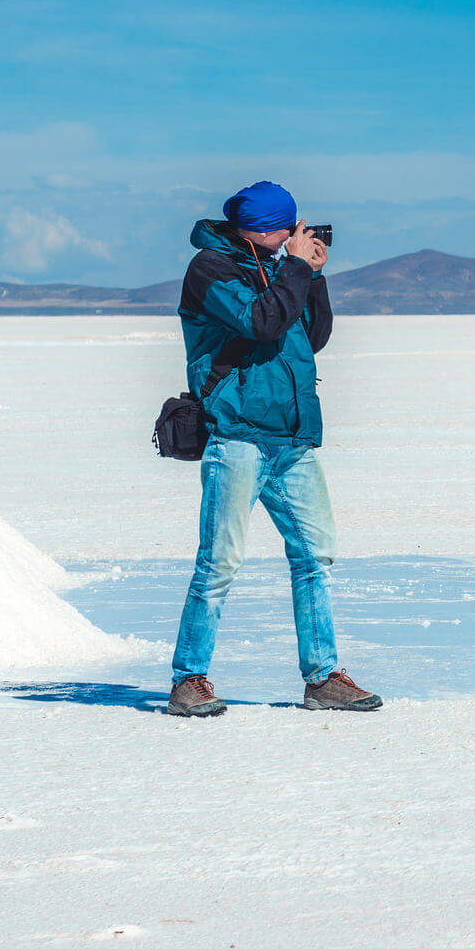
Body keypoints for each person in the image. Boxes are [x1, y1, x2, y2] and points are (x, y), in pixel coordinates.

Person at [166, 180, 382, 718]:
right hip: (238, 435)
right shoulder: (211, 270)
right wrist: (297, 270)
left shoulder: (282, 267)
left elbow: (313, 335)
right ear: (265, 229)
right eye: (288, 227)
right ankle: (188, 681)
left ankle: (323, 678)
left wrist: (315, 275)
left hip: (292, 441)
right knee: (219, 563)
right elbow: (261, 321)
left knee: (315, 556)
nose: (295, 233)